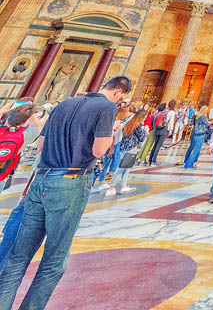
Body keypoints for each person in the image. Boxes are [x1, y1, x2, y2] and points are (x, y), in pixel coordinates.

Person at [0, 76, 131, 310]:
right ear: (119, 93)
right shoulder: (107, 107)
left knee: (17, 257)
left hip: (42, 178)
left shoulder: (66, 103)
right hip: (70, 179)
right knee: (54, 259)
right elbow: (99, 150)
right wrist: (110, 133)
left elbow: (40, 146)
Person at [108, 109, 147, 195]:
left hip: (123, 147)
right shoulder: (138, 125)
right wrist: (144, 130)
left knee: (126, 168)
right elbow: (141, 138)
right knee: (122, 169)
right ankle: (111, 188)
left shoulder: (128, 123)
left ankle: (124, 187)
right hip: (131, 148)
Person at [0, 105, 35, 189]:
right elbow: (38, 126)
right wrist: (28, 112)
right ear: (25, 122)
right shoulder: (23, 136)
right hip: (2, 176)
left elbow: (2, 112)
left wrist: (12, 107)